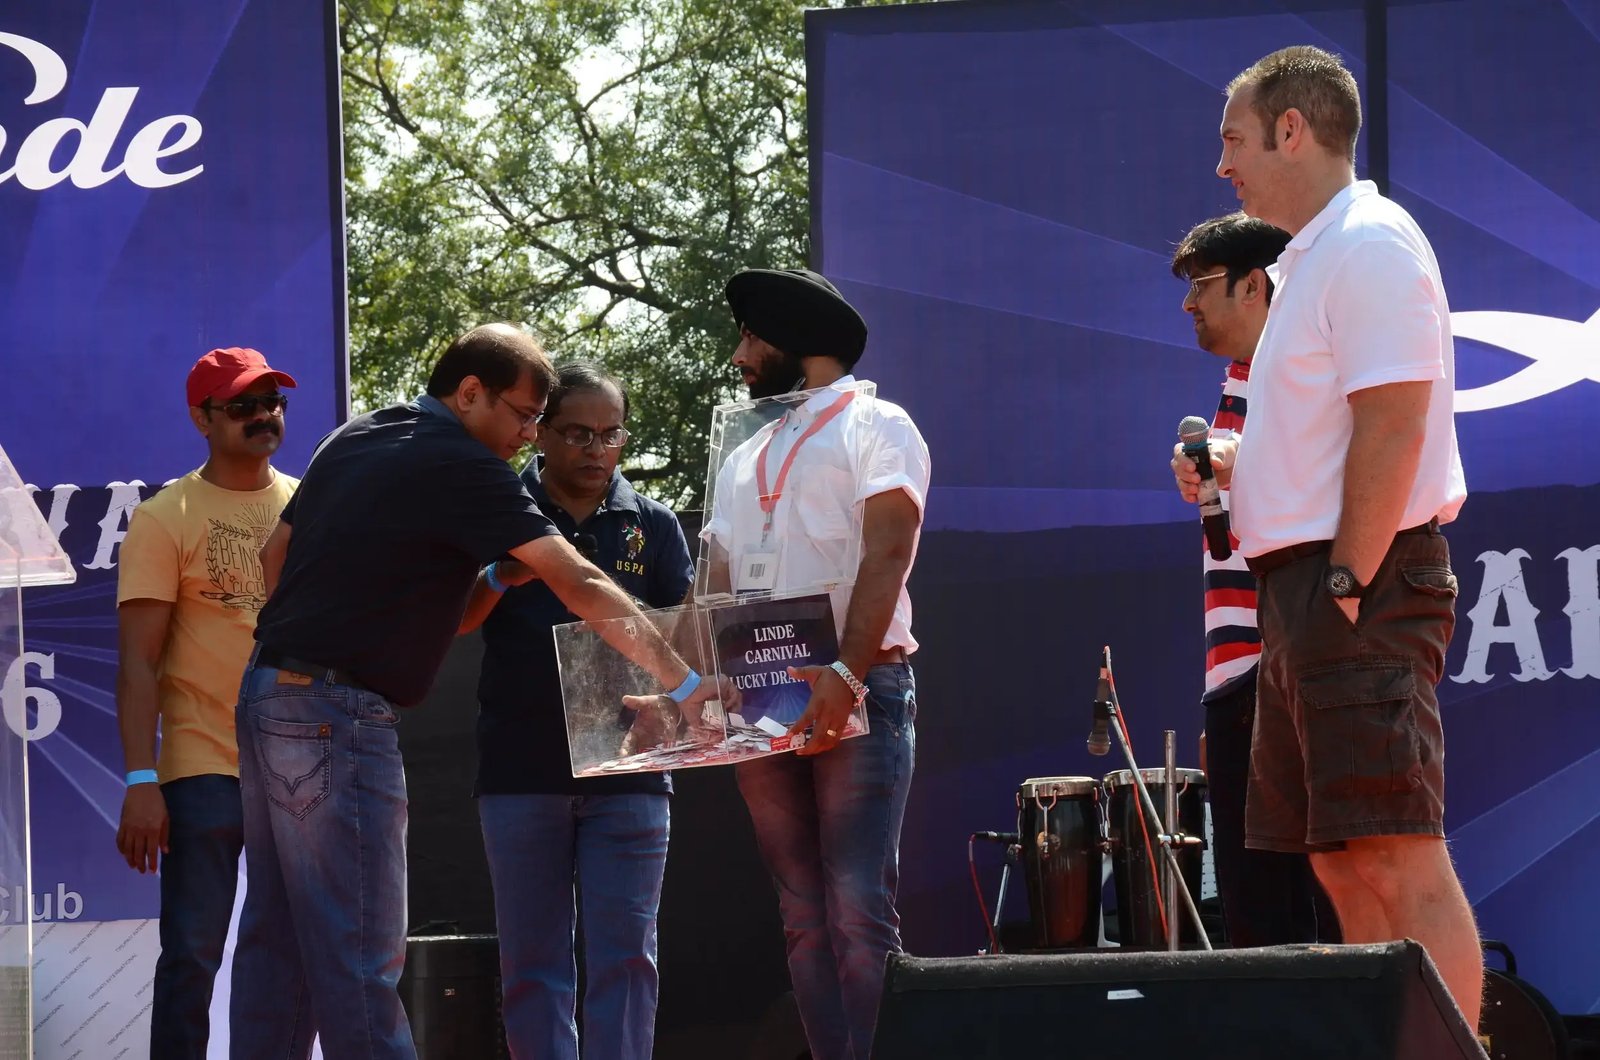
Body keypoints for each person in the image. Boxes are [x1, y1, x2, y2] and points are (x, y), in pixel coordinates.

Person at [230, 324, 715, 1060]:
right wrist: (684, 679)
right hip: (338, 714)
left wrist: (317, 644)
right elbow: (578, 580)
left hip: (270, 695)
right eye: (525, 415)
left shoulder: (356, 434)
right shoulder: (468, 464)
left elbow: (277, 554)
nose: (528, 433)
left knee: (278, 940)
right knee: (360, 954)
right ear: (468, 394)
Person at [1172, 46, 1478, 1023]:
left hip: (1360, 584)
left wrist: (1347, 575)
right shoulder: (1306, 262)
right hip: (1298, 596)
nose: (1223, 165)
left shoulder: (1369, 240)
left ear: (1291, 130)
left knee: (1396, 851)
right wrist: (1233, 468)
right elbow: (1326, 434)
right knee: (1338, 861)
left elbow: (1395, 418)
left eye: (1234, 139)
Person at [703, 268, 930, 1060]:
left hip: (858, 688)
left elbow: (889, 550)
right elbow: (721, 585)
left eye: (752, 338)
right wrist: (715, 681)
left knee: (858, 905)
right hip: (763, 690)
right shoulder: (741, 456)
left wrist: (847, 674)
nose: (738, 355)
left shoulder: (879, 425)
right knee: (801, 912)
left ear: (796, 343)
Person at [458, 363, 693, 1060]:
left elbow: (684, 639)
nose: (596, 449)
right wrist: (502, 573)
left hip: (632, 775)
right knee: (532, 968)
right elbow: (457, 618)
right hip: (520, 773)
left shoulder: (654, 525)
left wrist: (671, 706)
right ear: (541, 432)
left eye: (611, 434)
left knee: (627, 960)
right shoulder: (500, 508)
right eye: (578, 434)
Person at [115, 347, 299, 1059]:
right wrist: (140, 778)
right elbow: (139, 660)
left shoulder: (308, 504)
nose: (264, 416)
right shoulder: (167, 516)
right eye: (243, 406)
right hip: (203, 766)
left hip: (297, 759)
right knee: (192, 954)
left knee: (295, 950)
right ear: (202, 418)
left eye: (272, 402)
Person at [1171, 213, 1340, 949]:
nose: (1188, 304)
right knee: (1256, 911)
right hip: (1243, 672)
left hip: (1292, 660)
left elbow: (1344, 483)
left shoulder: (1301, 369)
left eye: (1202, 285)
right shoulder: (1238, 380)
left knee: (1320, 902)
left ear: (1256, 285)